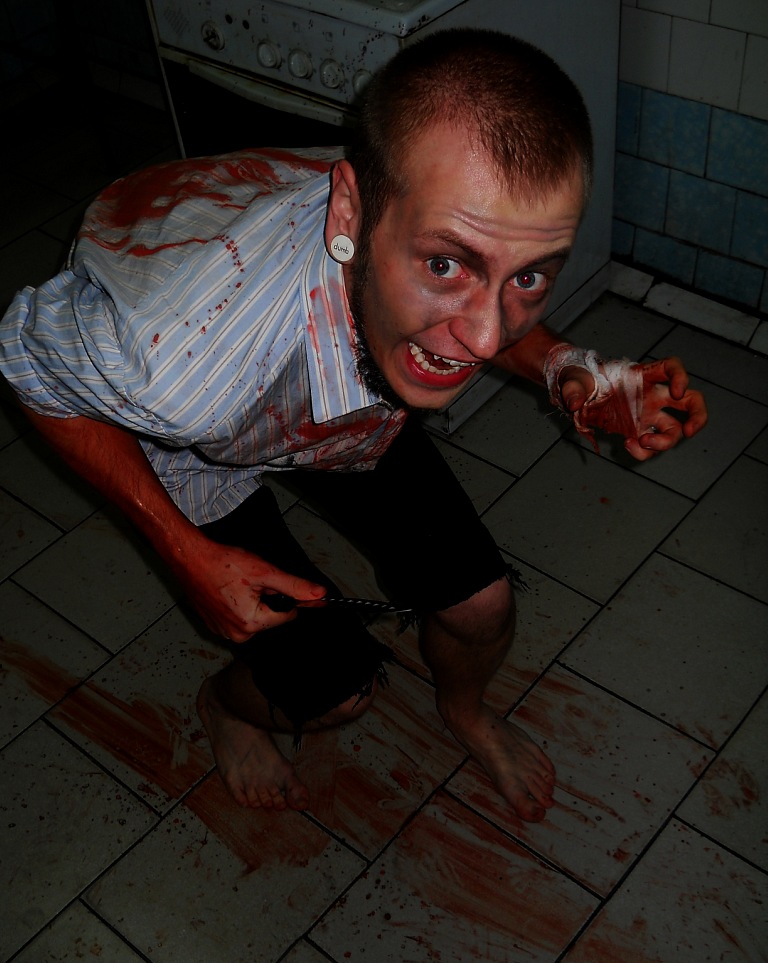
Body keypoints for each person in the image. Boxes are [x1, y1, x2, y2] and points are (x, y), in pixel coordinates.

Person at [0, 30, 706, 823]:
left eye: (529, 275)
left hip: (340, 392)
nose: (485, 340)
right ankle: (225, 705)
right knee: (335, 692)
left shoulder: (410, 211)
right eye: (445, 264)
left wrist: (564, 369)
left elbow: (483, 311)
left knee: (481, 607)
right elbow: (31, 366)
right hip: (195, 424)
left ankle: (464, 710)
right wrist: (184, 553)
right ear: (349, 213)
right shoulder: (176, 363)